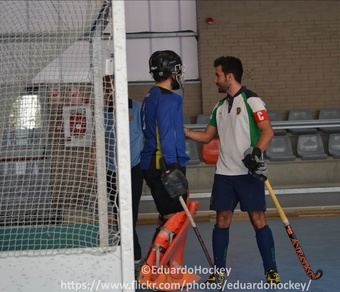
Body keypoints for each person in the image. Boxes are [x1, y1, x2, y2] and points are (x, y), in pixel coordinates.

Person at [184, 56, 280, 284]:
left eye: (218, 75)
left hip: (248, 174)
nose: (215, 80)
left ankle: (271, 271)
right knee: (222, 220)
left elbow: (267, 131)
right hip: (224, 175)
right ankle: (219, 273)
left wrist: (257, 152)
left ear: (229, 76)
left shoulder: (252, 101)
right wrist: (185, 132)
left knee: (258, 220)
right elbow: (207, 136)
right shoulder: (218, 107)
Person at [88, 75, 144, 266]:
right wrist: (91, 164)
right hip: (111, 171)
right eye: (107, 89)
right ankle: (131, 255)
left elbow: (145, 136)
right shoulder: (103, 112)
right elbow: (99, 140)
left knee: (131, 215)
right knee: (119, 213)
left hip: (133, 170)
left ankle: (134, 255)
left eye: (113, 87)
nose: (109, 92)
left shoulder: (137, 108)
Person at [141, 50, 189, 218]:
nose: (179, 74)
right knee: (174, 218)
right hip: (165, 164)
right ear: (169, 71)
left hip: (152, 163)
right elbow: (166, 133)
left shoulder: (150, 96)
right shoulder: (169, 99)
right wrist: (171, 166)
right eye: (177, 69)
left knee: (166, 216)